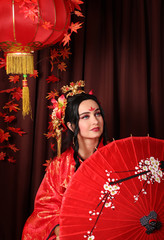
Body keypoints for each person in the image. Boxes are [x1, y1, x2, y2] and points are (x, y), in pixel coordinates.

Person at [22, 92, 108, 240]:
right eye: (85, 116)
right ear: (71, 125)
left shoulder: (115, 157)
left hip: (107, 226)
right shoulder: (59, 165)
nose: (95, 121)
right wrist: (58, 228)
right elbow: (45, 208)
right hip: (72, 230)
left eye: (98, 114)